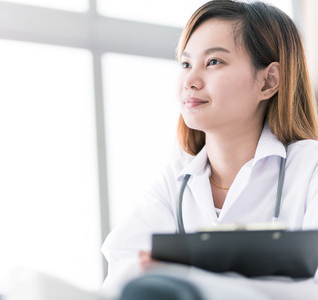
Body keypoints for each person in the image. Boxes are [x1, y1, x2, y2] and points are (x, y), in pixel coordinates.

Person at [100, 0, 318, 299]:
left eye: (213, 62)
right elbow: (121, 274)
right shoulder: (174, 180)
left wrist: (187, 276)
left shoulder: (310, 167)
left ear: (268, 81)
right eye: (186, 64)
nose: (190, 80)